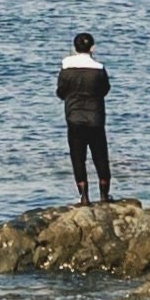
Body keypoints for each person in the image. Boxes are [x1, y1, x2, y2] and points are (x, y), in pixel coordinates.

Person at [58, 32, 116, 206]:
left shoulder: (66, 68)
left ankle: (84, 197)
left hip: (74, 118)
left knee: (78, 158)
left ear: (75, 48)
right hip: (95, 118)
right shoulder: (98, 68)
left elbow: (61, 92)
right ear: (92, 48)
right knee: (100, 157)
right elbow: (105, 90)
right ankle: (104, 195)